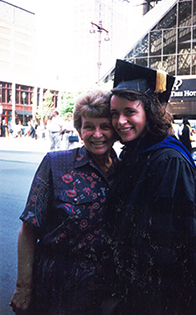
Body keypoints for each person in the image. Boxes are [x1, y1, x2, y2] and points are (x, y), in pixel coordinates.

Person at [104, 60, 196, 315]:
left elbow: (168, 249)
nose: (120, 121)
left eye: (130, 111)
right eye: (114, 113)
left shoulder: (167, 161)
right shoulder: (137, 154)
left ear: (149, 113)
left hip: (161, 299)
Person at [10, 90, 118, 315]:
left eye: (105, 126)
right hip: (57, 287)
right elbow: (29, 228)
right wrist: (23, 287)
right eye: (89, 126)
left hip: (109, 291)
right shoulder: (56, 164)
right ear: (79, 130)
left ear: (115, 129)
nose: (97, 134)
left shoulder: (128, 170)